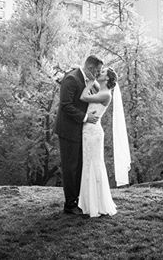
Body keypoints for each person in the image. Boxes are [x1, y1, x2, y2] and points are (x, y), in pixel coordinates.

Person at [55, 55, 103, 215]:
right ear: (90, 68)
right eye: (97, 71)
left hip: (80, 130)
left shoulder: (84, 78)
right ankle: (69, 205)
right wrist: (86, 117)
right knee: (70, 168)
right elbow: (66, 105)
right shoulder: (71, 79)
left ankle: (77, 200)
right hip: (68, 130)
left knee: (79, 166)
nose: (98, 74)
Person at [78, 67, 119, 218]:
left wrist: (89, 83)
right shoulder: (100, 90)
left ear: (107, 79)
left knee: (94, 165)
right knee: (88, 164)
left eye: (102, 73)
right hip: (89, 129)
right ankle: (89, 202)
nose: (99, 74)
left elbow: (83, 97)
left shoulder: (105, 94)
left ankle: (96, 204)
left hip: (93, 132)